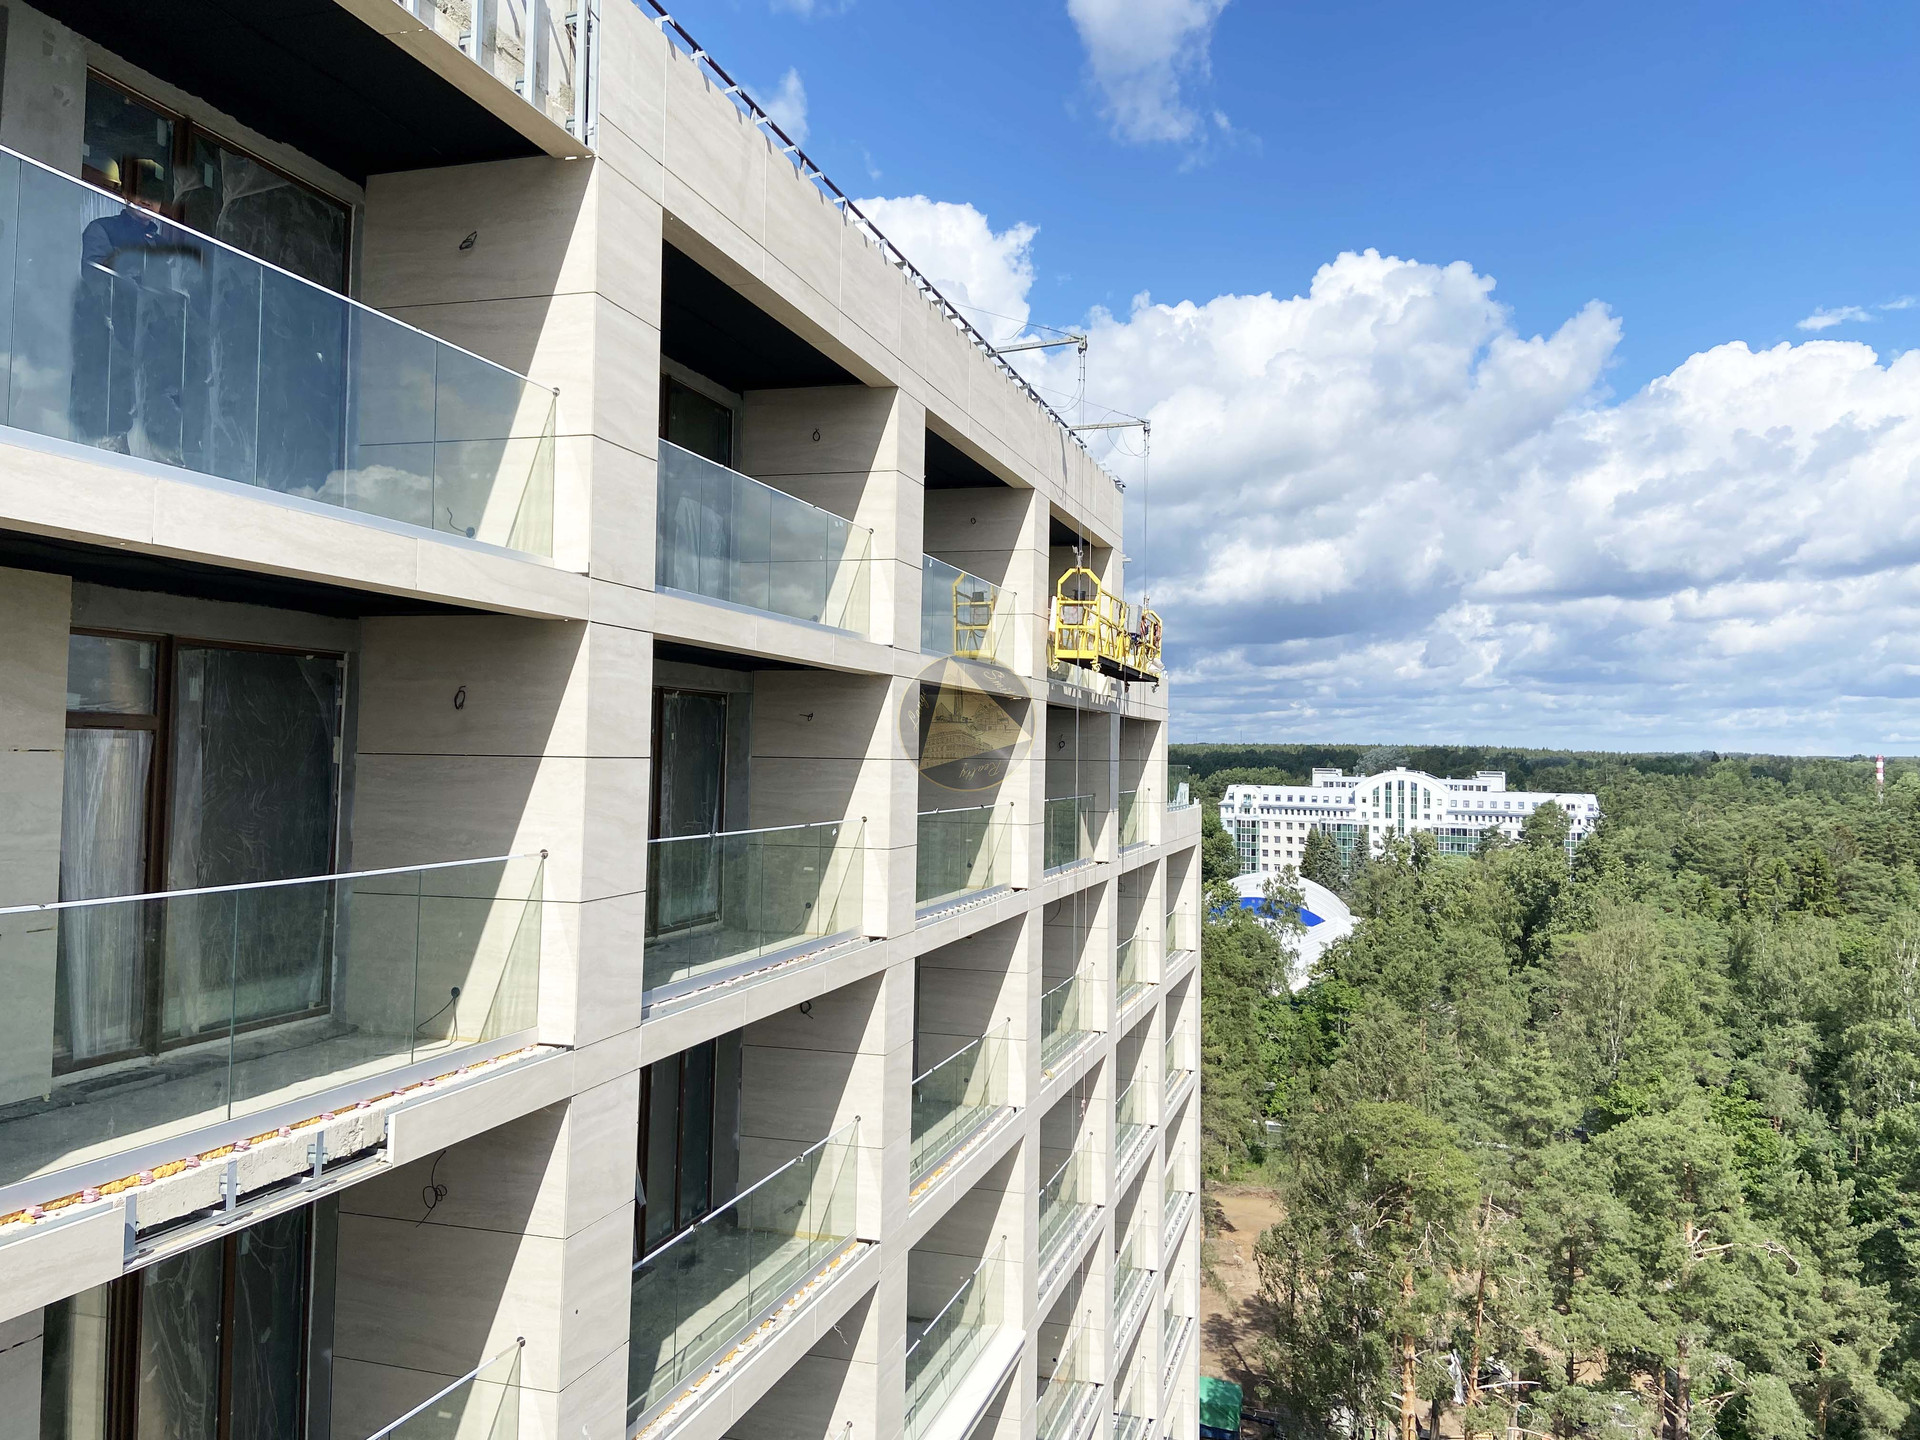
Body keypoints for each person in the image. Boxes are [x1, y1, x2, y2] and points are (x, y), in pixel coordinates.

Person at [69, 157, 201, 458]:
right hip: (112, 340)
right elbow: (95, 277)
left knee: (160, 438)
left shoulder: (162, 246)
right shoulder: (102, 229)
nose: (147, 200)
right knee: (110, 441)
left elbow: (170, 299)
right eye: (141, 192)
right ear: (127, 195)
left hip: (152, 350)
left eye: (155, 195)